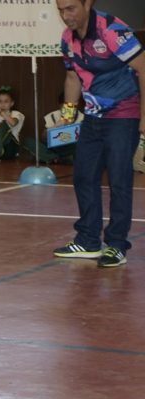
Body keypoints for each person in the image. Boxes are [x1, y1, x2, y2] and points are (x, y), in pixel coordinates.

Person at [53, 0, 145, 268]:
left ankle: (116, 244)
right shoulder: (67, 38)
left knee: (119, 180)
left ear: (87, 4)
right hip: (93, 117)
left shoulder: (112, 30)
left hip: (123, 115)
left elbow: (143, 69)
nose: (65, 15)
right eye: (60, 10)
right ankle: (88, 240)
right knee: (83, 175)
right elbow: (72, 78)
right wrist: (67, 117)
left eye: (70, 8)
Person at [22, 93, 85, 164]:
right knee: (28, 141)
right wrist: (54, 127)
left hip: (70, 148)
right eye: (63, 108)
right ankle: (56, 158)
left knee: (81, 146)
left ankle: (49, 158)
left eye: (71, 108)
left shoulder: (83, 118)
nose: (67, 111)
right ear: (59, 106)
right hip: (53, 148)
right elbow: (43, 138)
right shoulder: (52, 116)